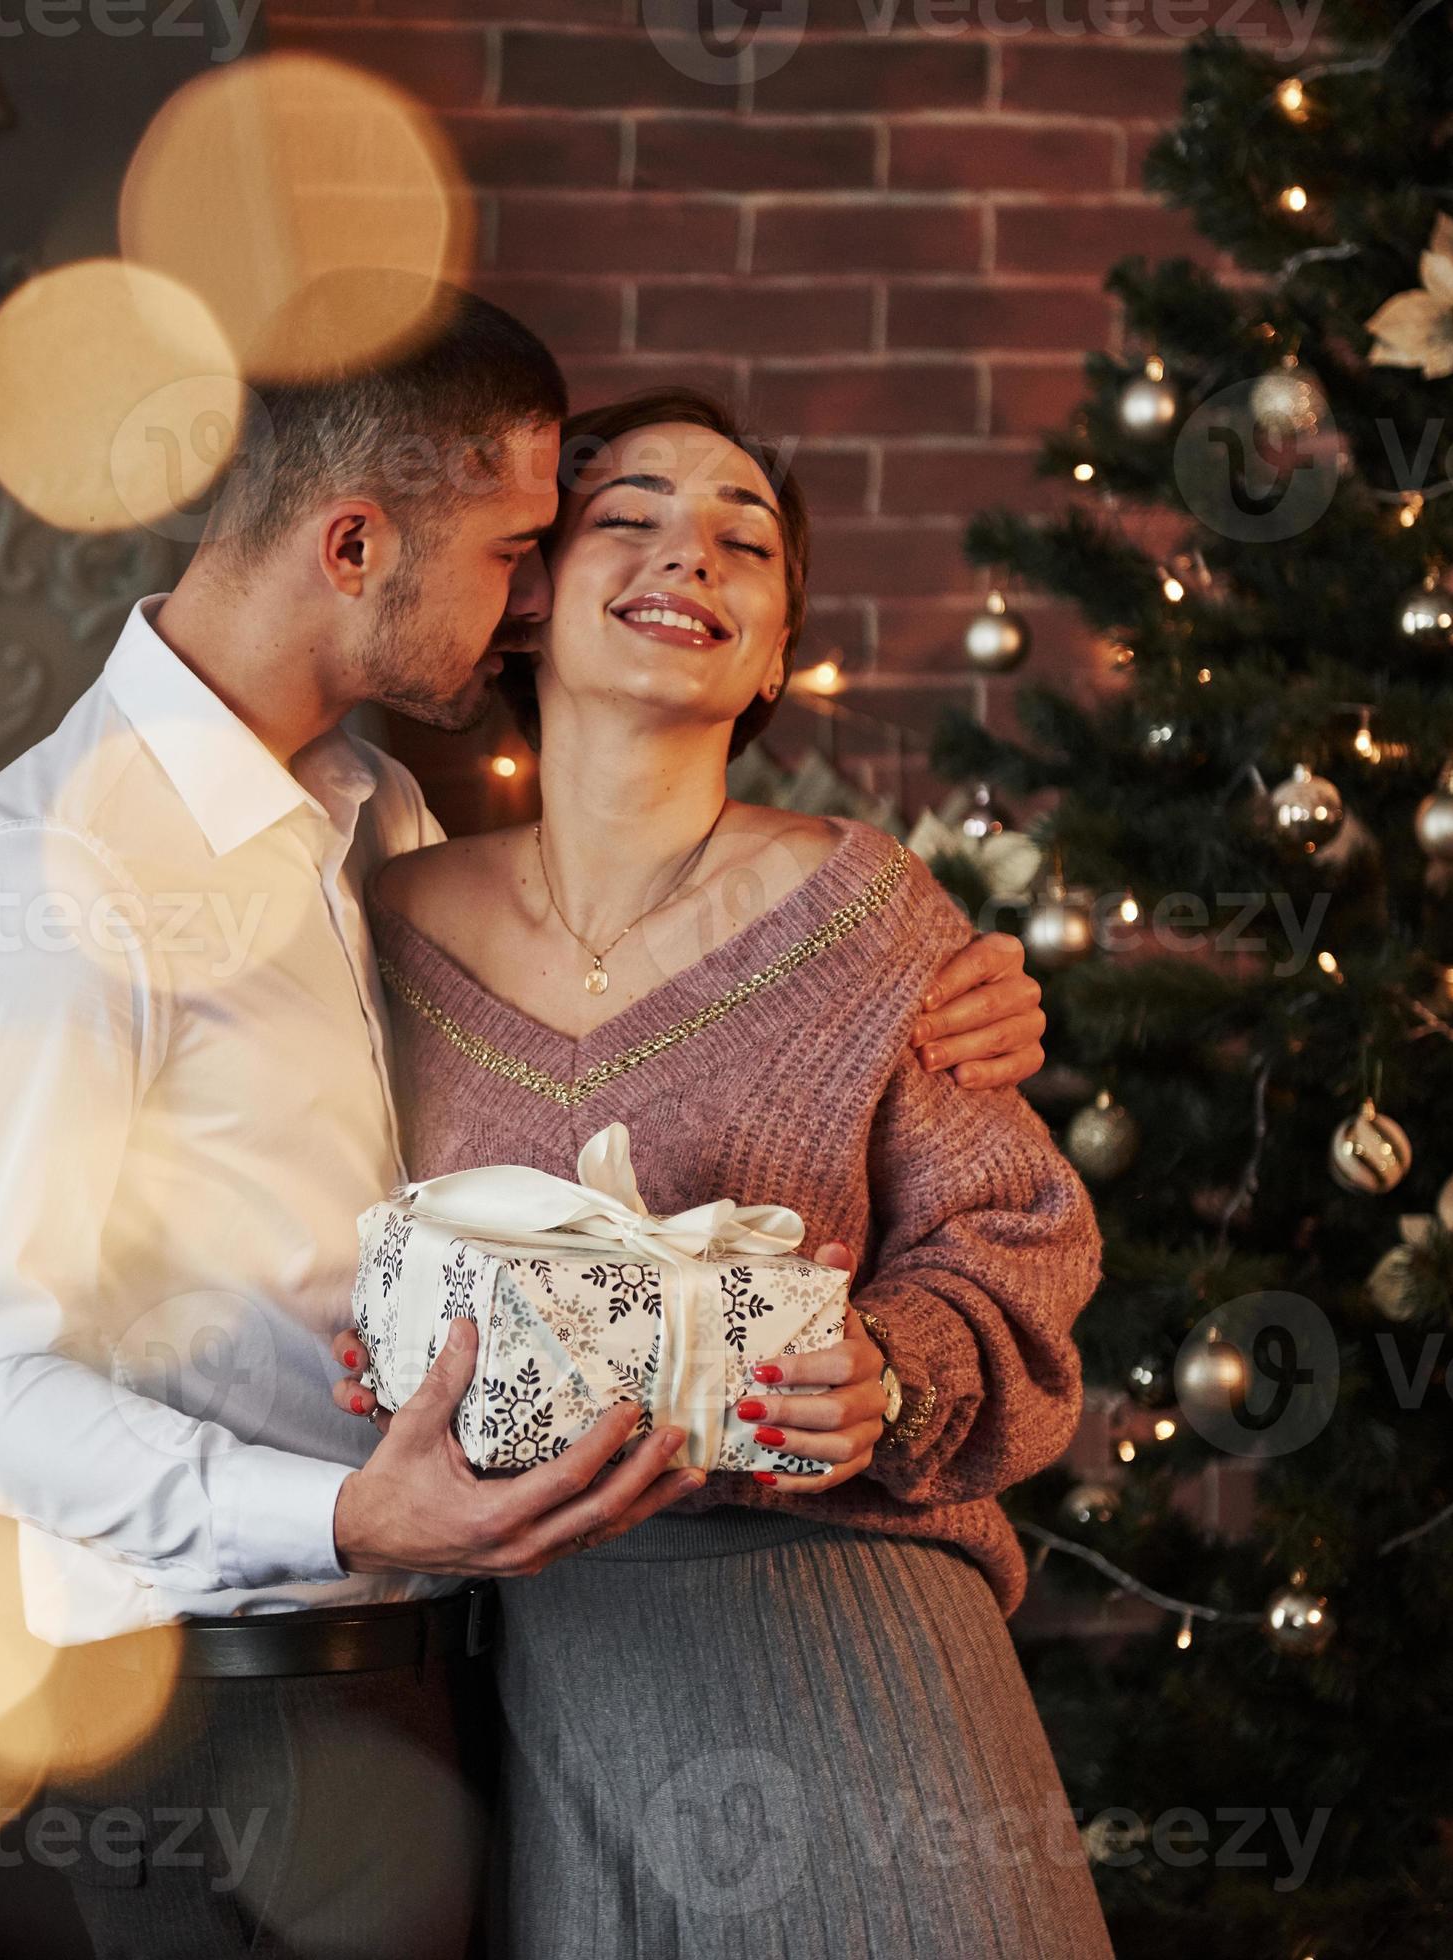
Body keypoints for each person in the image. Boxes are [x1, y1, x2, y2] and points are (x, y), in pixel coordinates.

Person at [0, 285, 1050, 1960]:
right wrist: (353, 1513)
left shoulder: (374, 829)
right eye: (525, 548)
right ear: (355, 544)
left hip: (460, 1678)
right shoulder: (52, 886)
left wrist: (961, 1020)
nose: (523, 600)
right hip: (225, 1708)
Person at [330, 387, 1114, 1958]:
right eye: (626, 517)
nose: (687, 553)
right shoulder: (373, 920)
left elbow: (1009, 1243)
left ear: (769, 653)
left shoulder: (871, 911)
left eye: (741, 541)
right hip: (516, 1652)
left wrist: (889, 1374)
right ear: (525, 601)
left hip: (832, 1614)